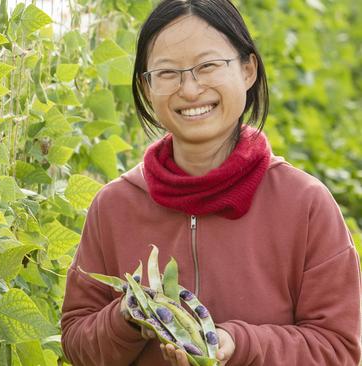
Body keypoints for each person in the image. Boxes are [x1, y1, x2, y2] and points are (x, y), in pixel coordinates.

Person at [60, 0, 362, 365]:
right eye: (168, 73)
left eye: (208, 66)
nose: (190, 90)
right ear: (146, 86)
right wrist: (127, 315)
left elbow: (338, 351)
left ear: (248, 69)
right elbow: (76, 344)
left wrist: (239, 344)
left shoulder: (305, 204)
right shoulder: (114, 206)